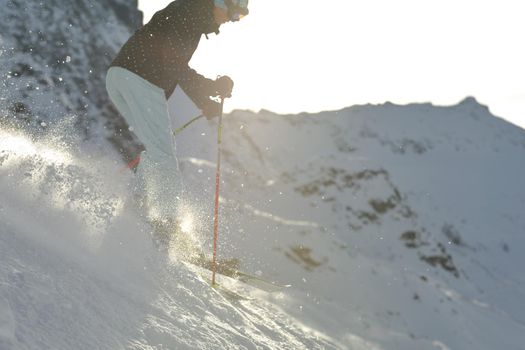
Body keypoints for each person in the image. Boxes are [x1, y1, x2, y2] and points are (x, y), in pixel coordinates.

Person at [105, 0, 249, 227]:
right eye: (235, 16)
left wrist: (205, 97)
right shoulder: (191, 12)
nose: (231, 22)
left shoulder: (191, 12)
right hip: (141, 78)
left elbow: (175, 63)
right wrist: (208, 91)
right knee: (165, 158)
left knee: (157, 151)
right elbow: (174, 62)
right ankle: (166, 224)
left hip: (122, 75)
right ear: (222, 3)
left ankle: (135, 211)